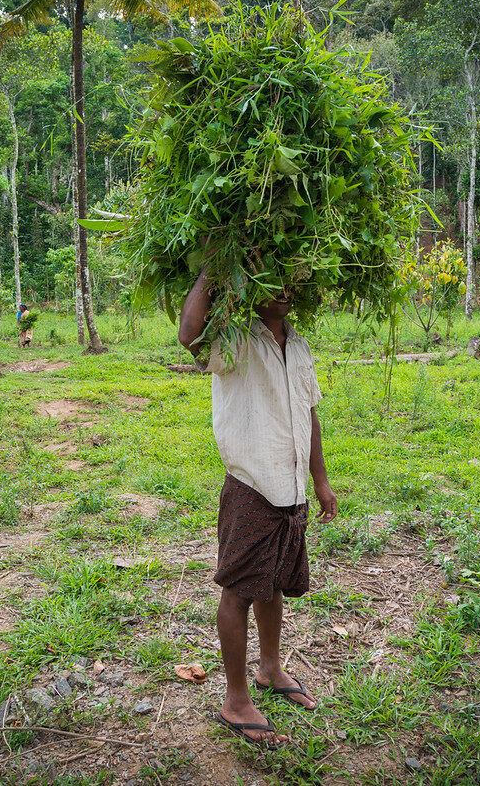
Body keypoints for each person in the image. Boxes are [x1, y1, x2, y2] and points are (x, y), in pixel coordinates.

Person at [177, 266, 338, 748]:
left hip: (292, 487)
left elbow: (309, 413)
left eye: (292, 282)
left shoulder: (300, 345)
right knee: (239, 589)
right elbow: (189, 337)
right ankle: (235, 699)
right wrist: (213, 267)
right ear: (252, 285)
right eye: (274, 280)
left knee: (273, 582)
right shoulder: (236, 340)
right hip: (252, 484)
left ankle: (270, 668)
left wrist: (321, 481)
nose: (284, 291)